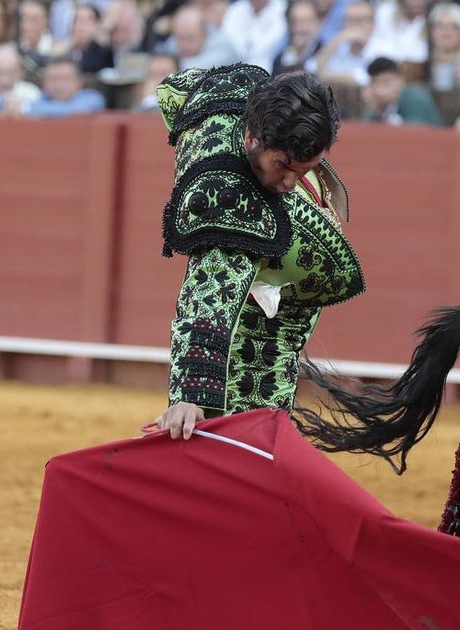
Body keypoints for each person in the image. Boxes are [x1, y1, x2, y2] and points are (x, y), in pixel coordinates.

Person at [152, 66, 365, 438]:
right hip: (276, 304)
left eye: (304, 170)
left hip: (283, 267)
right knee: (251, 423)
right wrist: (190, 393)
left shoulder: (241, 90)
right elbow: (209, 292)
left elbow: (175, 88)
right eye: (281, 165)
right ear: (251, 137)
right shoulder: (229, 198)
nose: (288, 182)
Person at [6, 55, 106, 116]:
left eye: (65, 79)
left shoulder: (92, 98)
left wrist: (27, 109)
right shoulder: (40, 98)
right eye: (53, 79)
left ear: (79, 82)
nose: (59, 85)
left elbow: (72, 111)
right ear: (44, 84)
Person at [360, 55, 442, 124]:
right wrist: (377, 111)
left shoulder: (416, 99)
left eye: (386, 82)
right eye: (374, 83)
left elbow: (412, 134)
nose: (380, 89)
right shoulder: (375, 104)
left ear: (401, 80)